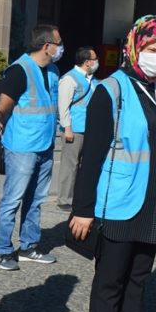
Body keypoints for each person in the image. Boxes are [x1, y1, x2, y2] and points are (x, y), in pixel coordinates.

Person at [70, 16, 156, 312]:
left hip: (154, 199)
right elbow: (92, 156)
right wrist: (83, 209)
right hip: (118, 200)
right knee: (110, 280)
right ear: (135, 48)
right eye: (152, 50)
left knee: (139, 277)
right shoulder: (111, 90)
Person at [0, 24, 61, 270]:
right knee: (13, 200)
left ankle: (29, 246)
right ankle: (3, 251)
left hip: (45, 145)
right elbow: (2, 108)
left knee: (36, 199)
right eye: (58, 43)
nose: (60, 47)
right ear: (46, 46)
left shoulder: (52, 70)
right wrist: (7, 127)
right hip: (22, 146)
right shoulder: (19, 71)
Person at [56, 46, 98, 210]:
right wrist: (67, 128)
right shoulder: (69, 79)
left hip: (89, 128)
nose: (97, 62)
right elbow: (63, 106)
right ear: (87, 62)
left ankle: (78, 196)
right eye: (95, 59)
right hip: (74, 129)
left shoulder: (92, 79)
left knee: (82, 165)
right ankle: (65, 199)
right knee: (70, 164)